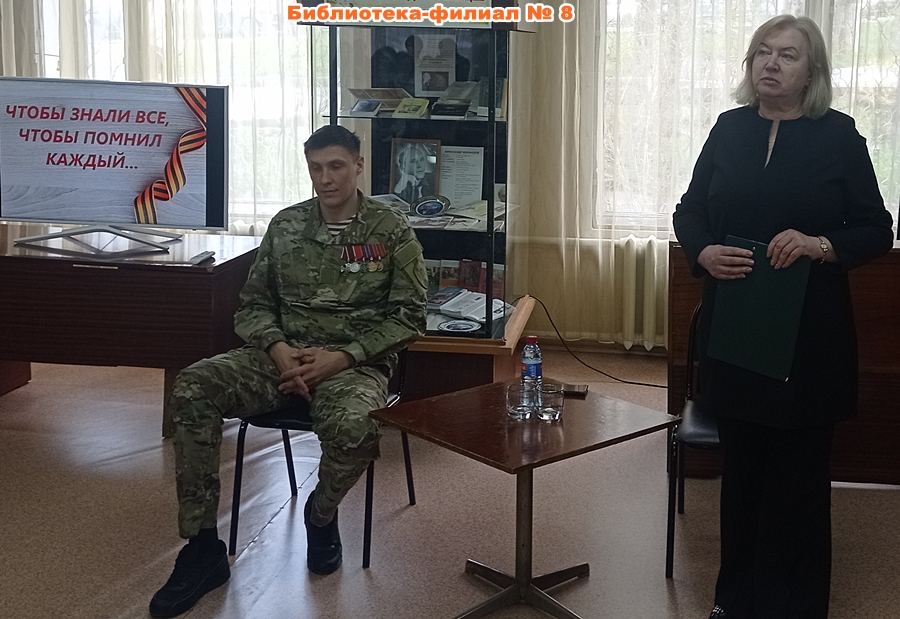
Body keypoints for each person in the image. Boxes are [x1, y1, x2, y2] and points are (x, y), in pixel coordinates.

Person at [149, 125, 428, 618]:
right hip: (278, 359)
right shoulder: (287, 225)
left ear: (359, 166)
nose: (325, 179)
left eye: (336, 166)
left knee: (356, 428)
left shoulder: (390, 229)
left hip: (352, 364)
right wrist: (279, 351)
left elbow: (410, 317)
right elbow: (252, 306)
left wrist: (342, 357)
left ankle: (320, 516)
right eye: (316, 168)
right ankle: (203, 547)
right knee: (193, 387)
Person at [673, 15, 893, 619]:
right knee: (742, 473)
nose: (771, 63)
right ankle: (734, 601)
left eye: (787, 55)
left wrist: (820, 244)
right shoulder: (728, 128)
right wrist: (703, 251)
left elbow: (877, 229)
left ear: (811, 70)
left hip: (809, 337)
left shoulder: (839, 136)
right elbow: (689, 211)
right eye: (762, 52)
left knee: (797, 480)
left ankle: (793, 606)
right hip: (736, 328)